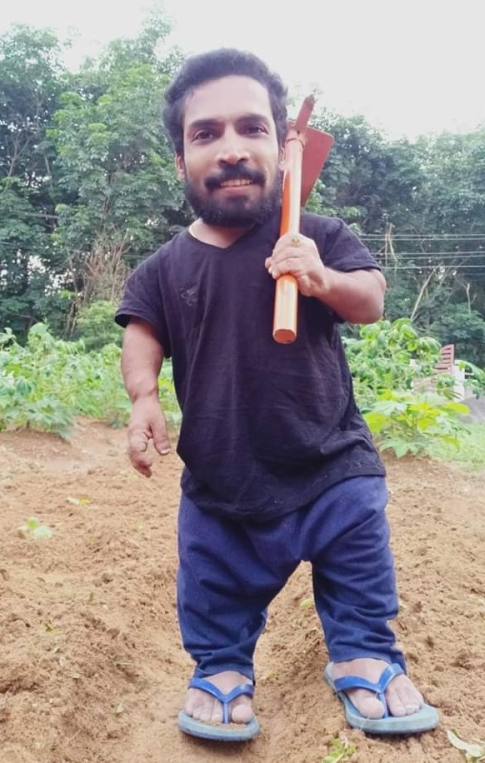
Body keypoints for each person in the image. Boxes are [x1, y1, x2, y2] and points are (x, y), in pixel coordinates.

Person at [115, 48, 439, 742]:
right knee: (213, 579)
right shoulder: (163, 268)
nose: (231, 148)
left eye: (252, 127)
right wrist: (144, 397)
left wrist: (322, 278)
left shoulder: (316, 237)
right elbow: (142, 333)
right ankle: (223, 663)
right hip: (223, 473)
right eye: (206, 133)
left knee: (358, 556)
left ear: (283, 148)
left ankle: (362, 649)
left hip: (329, 460)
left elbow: (371, 299)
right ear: (180, 160)